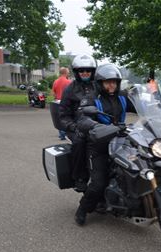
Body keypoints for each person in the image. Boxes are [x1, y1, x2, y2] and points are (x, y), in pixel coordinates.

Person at [73, 63, 129, 226]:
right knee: (98, 184)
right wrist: (96, 126)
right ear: (100, 83)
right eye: (107, 82)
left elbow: (143, 105)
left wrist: (156, 106)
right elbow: (82, 118)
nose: (111, 85)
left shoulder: (122, 97)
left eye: (114, 82)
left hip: (120, 141)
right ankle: (83, 209)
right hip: (98, 146)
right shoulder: (91, 98)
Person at [59, 54, 97, 192]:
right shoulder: (70, 89)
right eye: (82, 70)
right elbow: (63, 115)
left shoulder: (98, 87)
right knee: (80, 142)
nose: (85, 73)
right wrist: (74, 127)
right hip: (76, 127)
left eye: (88, 70)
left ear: (93, 71)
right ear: (76, 72)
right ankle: (79, 177)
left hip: (96, 126)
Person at [52, 67, 72, 140]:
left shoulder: (55, 81)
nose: (69, 73)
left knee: (59, 118)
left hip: (57, 101)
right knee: (66, 117)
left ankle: (61, 134)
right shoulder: (69, 82)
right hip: (66, 102)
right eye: (68, 72)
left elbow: (53, 93)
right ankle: (65, 133)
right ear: (65, 73)